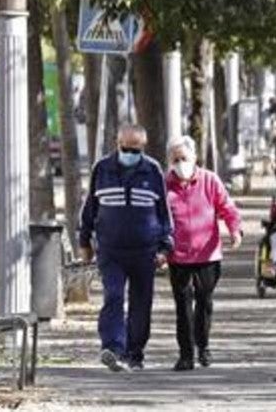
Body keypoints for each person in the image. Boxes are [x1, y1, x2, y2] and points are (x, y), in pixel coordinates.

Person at [78, 123, 172, 372]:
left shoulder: (152, 170)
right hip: (111, 251)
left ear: (143, 147)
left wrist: (165, 247)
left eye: (135, 149)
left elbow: (163, 212)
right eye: (125, 148)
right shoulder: (102, 169)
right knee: (114, 296)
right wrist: (84, 241)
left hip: (145, 251)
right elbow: (90, 209)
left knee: (141, 303)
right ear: (117, 144)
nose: (130, 153)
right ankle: (113, 347)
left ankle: (134, 352)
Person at [164, 136, 242, 371]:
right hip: (178, 256)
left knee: (204, 302)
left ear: (194, 157)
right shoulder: (164, 184)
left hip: (207, 255)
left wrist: (234, 231)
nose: (180, 163)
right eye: (175, 159)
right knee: (183, 305)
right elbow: (156, 218)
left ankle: (203, 345)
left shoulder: (210, 180)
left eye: (184, 158)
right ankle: (186, 354)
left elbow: (227, 208)